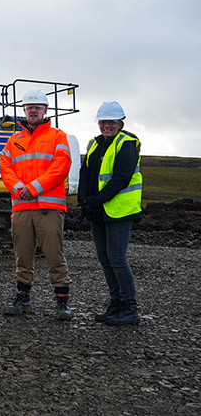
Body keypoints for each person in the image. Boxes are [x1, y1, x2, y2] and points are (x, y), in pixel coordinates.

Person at [0, 88, 73, 320]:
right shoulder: (14, 140)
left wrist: (32, 189)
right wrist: (17, 188)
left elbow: (60, 168)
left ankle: (62, 301)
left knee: (54, 254)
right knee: (22, 255)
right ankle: (23, 298)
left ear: (45, 110)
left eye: (37, 108)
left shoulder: (57, 137)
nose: (33, 111)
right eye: (29, 108)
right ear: (24, 110)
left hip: (48, 208)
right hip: (22, 208)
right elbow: (6, 166)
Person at [78, 101, 142, 325]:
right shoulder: (94, 144)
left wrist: (94, 201)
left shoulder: (127, 144)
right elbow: (85, 173)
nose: (106, 126)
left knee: (117, 259)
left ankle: (129, 307)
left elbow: (120, 180)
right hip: (100, 211)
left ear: (120, 123)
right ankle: (116, 303)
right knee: (105, 259)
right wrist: (83, 200)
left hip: (119, 211)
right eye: (103, 122)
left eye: (111, 122)